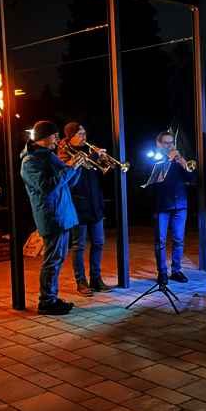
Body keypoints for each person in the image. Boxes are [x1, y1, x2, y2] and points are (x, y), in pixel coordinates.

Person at [20, 121, 86, 315]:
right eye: (54, 136)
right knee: (52, 259)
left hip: (62, 212)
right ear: (41, 138)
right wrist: (70, 167)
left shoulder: (48, 155)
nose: (58, 140)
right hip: (51, 214)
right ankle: (46, 302)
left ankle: (52, 298)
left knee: (58, 257)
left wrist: (77, 166)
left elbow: (68, 181)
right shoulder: (30, 161)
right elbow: (47, 186)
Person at [57, 123, 113, 297]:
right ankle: (81, 281)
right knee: (79, 246)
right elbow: (72, 175)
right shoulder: (63, 152)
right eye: (80, 134)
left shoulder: (89, 154)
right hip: (77, 205)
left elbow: (97, 177)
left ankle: (95, 278)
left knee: (99, 243)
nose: (84, 137)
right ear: (70, 136)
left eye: (84, 133)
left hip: (95, 205)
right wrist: (93, 156)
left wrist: (105, 165)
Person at [150, 131, 196, 284]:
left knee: (179, 239)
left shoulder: (177, 160)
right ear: (159, 144)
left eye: (171, 143)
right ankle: (162, 272)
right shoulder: (153, 158)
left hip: (180, 203)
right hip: (162, 204)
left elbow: (191, 178)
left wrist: (184, 164)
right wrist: (169, 161)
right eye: (166, 143)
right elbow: (155, 180)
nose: (170, 146)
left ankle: (176, 270)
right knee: (160, 241)